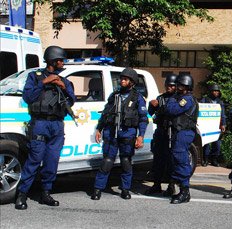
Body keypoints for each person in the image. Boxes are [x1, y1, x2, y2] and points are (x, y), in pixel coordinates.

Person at [15, 46, 76, 210]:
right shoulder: (34, 77)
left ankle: (46, 193)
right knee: (34, 159)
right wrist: (44, 82)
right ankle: (22, 194)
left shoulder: (66, 81)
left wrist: (64, 88)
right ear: (52, 60)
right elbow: (28, 97)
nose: (62, 63)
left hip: (56, 125)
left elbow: (71, 101)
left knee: (52, 161)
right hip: (40, 123)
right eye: (60, 60)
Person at [91, 67, 148, 200]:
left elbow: (143, 119)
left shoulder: (137, 98)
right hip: (111, 133)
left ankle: (125, 189)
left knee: (126, 161)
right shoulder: (114, 95)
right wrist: (99, 129)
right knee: (107, 161)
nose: (122, 81)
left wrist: (141, 136)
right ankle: (98, 189)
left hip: (128, 133)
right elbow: (105, 113)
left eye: (125, 79)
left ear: (132, 82)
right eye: (122, 78)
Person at [164, 74, 199, 204]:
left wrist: (172, 99)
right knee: (176, 159)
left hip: (184, 133)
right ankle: (177, 187)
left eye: (180, 85)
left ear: (186, 86)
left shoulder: (186, 99)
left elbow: (172, 109)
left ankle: (185, 192)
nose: (177, 87)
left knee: (181, 160)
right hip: (180, 132)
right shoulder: (183, 98)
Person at [145, 73, 177, 197]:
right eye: (167, 85)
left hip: (172, 132)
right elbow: (151, 112)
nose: (169, 87)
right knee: (158, 161)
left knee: (171, 161)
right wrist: (151, 105)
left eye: (171, 85)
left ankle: (171, 185)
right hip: (161, 131)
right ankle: (156, 184)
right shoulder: (161, 98)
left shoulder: (178, 99)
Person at [200, 84, 226, 167]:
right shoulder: (205, 100)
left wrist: (224, 124)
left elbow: (223, 114)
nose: (216, 92)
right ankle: (205, 159)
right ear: (211, 91)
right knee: (206, 143)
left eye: (217, 91)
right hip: (207, 125)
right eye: (214, 91)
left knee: (217, 144)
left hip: (217, 125)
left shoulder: (220, 102)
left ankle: (214, 159)